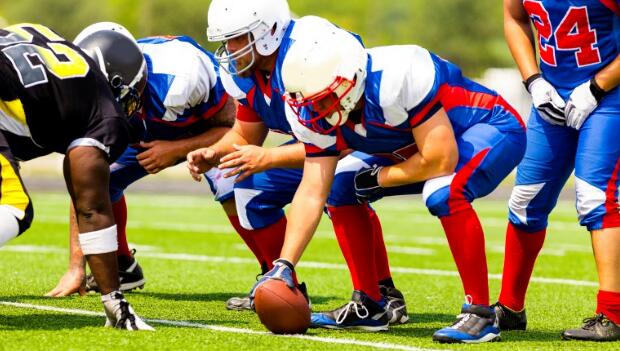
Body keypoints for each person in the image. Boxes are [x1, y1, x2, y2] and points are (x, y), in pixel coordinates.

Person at [268, 23, 527, 343]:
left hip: (487, 128)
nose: (315, 110)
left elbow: (440, 160)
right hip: (416, 148)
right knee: (338, 188)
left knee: (444, 192)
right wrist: (284, 264)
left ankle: (480, 314)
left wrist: (379, 177)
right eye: (308, 102)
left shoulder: (398, 77)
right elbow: (311, 190)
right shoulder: (317, 106)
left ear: (350, 82)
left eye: (323, 100)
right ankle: (370, 303)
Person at [187, 0, 408, 329]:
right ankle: (281, 281)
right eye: (226, 40)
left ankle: (381, 292)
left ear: (267, 33)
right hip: (319, 146)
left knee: (340, 182)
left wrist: (270, 157)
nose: (229, 50)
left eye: (237, 39)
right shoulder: (247, 71)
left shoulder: (309, 51)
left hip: (362, 141)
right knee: (247, 185)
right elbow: (246, 134)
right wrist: (213, 152)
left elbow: (339, 143)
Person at [45, 22, 237, 297]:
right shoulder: (97, 85)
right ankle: (122, 266)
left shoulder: (181, 74)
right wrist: (76, 267)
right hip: (149, 125)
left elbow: (234, 128)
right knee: (94, 176)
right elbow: (84, 175)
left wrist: (176, 149)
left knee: (234, 186)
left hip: (207, 127)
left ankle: (274, 275)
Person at [0, 23, 152, 330]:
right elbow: (91, 208)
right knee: (16, 207)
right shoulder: (103, 110)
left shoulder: (48, 39)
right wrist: (113, 298)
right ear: (118, 81)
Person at [497, 0, 620, 341]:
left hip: (611, 94)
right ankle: (509, 308)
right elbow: (514, 17)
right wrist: (533, 80)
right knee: (524, 202)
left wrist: (597, 87)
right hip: (552, 92)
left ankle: (613, 313)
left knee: (596, 197)